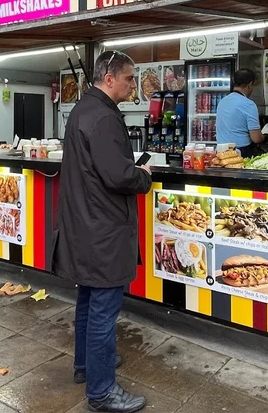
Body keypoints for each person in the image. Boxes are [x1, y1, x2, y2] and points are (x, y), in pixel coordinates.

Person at [52, 51, 152, 413]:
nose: (133, 85)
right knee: (103, 313)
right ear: (109, 78)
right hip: (103, 229)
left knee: (88, 301)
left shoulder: (83, 109)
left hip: (84, 226)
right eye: (129, 78)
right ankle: (102, 391)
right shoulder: (105, 117)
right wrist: (143, 176)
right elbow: (118, 176)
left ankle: (86, 366)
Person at [215, 68, 268, 158]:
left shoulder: (222, 101)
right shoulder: (249, 104)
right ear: (250, 85)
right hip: (240, 154)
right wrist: (265, 136)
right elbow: (256, 138)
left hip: (221, 153)